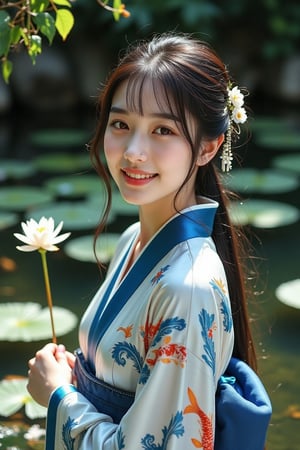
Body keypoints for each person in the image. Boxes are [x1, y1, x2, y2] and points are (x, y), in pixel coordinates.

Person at [27, 33, 270, 449]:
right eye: (121, 124)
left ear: (208, 148)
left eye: (162, 130)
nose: (134, 152)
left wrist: (58, 397)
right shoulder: (132, 240)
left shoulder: (187, 288)